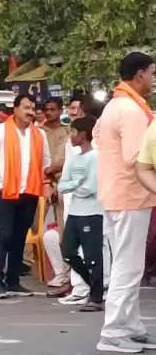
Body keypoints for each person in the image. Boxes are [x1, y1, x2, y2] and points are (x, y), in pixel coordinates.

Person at [104, 52, 156, 353]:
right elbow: (136, 158)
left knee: (128, 265)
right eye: (151, 73)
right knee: (127, 266)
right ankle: (113, 332)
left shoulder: (116, 105)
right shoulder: (132, 110)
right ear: (138, 75)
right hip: (130, 195)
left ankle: (131, 326)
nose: (152, 79)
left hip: (119, 195)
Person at [0, 94, 50, 299]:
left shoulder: (39, 134)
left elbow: (45, 162)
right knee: (4, 236)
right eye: (26, 107)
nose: (30, 111)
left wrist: (47, 185)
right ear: (15, 109)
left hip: (29, 192)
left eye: (32, 108)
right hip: (6, 191)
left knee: (19, 238)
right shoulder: (0, 131)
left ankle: (13, 281)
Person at [56, 116, 103, 312]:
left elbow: (92, 187)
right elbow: (63, 185)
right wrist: (77, 184)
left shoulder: (96, 157)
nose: (71, 136)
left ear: (83, 135)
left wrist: (76, 186)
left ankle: (96, 296)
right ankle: (93, 285)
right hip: (75, 212)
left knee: (93, 255)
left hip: (92, 212)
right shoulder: (73, 158)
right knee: (68, 252)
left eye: (74, 132)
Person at [39, 97, 74, 295]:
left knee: (63, 228)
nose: (49, 113)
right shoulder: (38, 132)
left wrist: (53, 177)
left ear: (60, 110)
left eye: (53, 109)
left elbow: (68, 159)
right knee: (37, 227)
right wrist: (46, 182)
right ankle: (33, 267)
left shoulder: (68, 132)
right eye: (46, 109)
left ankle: (66, 273)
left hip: (62, 184)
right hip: (41, 184)